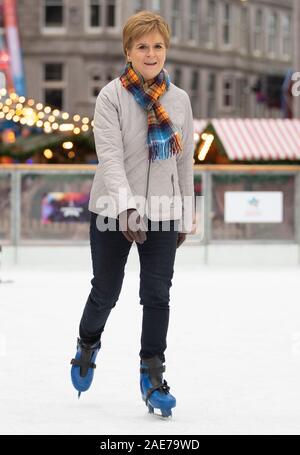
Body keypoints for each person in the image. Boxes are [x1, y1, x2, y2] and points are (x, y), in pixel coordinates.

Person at [70, 10, 195, 418]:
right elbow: (110, 157)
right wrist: (126, 207)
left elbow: (184, 162)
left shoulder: (179, 100)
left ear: (166, 50)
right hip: (111, 209)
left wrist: (185, 212)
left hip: (163, 210)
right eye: (142, 46)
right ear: (128, 51)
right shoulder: (111, 96)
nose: (151, 53)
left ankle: (152, 375)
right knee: (106, 289)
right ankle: (88, 342)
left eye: (158, 46)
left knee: (157, 293)